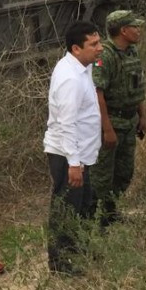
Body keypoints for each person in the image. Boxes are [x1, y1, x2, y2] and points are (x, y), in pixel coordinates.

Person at [44, 20, 104, 274]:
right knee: (66, 208)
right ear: (76, 48)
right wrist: (74, 163)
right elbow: (67, 124)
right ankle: (61, 264)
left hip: (82, 154)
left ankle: (76, 252)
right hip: (69, 156)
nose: (100, 48)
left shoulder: (82, 67)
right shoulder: (70, 78)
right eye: (94, 44)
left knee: (81, 206)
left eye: (99, 42)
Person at [92, 10, 146, 227]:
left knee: (124, 173)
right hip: (111, 122)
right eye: (135, 27)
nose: (139, 30)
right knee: (102, 176)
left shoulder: (132, 51)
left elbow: (138, 85)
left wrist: (142, 115)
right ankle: (94, 219)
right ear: (123, 31)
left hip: (129, 121)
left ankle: (110, 212)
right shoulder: (104, 55)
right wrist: (107, 129)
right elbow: (98, 93)